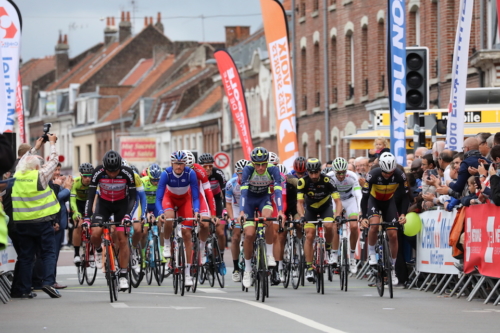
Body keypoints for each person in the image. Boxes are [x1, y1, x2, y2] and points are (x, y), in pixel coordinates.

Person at [11, 133, 62, 298]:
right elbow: (54, 161)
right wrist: (52, 144)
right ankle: (47, 282)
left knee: (26, 256)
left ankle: (24, 289)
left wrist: (36, 147)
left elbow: (22, 161)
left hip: (22, 223)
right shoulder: (39, 176)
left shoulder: (17, 175)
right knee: (48, 252)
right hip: (41, 222)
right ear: (35, 167)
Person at [83, 150, 137, 291]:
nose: (112, 174)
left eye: (115, 171)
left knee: (122, 238)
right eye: (109, 171)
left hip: (121, 205)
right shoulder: (98, 172)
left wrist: (127, 215)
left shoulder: (127, 172)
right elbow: (90, 196)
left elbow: (132, 197)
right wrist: (87, 217)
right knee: (95, 233)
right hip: (104, 205)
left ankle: (124, 275)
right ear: (104, 167)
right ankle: (100, 251)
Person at [360, 152, 409, 285]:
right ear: (381, 168)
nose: (388, 175)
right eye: (385, 172)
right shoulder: (373, 175)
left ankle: (392, 268)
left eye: (391, 172)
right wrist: (364, 217)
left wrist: (403, 214)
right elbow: (364, 197)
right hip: (374, 200)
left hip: (389, 202)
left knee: (393, 234)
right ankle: (371, 254)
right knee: (374, 225)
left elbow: (405, 196)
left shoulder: (400, 175)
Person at [240, 147, 285, 288]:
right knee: (249, 235)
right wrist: (241, 212)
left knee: (268, 218)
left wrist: (280, 211)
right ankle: (247, 269)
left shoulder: (273, 170)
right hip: (248, 201)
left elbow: (278, 192)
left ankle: (270, 254)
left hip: (263, 199)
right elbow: (243, 193)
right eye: (257, 164)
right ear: (253, 163)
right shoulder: (248, 170)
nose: (260, 168)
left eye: (263, 164)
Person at [156, 151, 201, 287]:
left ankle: (187, 273)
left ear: (185, 164)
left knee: (187, 234)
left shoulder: (190, 174)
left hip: (185, 201)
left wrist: (197, 211)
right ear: (172, 163)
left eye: (181, 164)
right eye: (176, 163)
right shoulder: (166, 174)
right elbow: (159, 197)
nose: (179, 166)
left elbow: (195, 197)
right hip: (169, 199)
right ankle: (167, 242)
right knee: (169, 218)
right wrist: (160, 212)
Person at [297, 158, 342, 282]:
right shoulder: (302, 181)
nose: (314, 175)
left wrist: (337, 215)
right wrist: (301, 216)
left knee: (329, 226)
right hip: (310, 210)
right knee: (310, 235)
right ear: (307, 172)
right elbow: (300, 202)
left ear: (319, 171)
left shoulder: (328, 180)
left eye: (316, 172)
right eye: (311, 173)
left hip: (325, 207)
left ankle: (328, 246)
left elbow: (338, 201)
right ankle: (309, 267)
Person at [327, 157, 362, 274]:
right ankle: (334, 254)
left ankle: (352, 258)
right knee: (335, 224)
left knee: (353, 226)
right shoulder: (329, 176)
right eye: (338, 173)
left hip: (349, 200)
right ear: (334, 171)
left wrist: (360, 211)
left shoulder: (352, 176)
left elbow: (358, 195)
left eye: (343, 172)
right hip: (335, 200)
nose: (341, 175)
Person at [183, 150, 217, 265]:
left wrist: (212, 214)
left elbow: (208, 192)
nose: (187, 170)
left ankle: (202, 249)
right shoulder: (173, 171)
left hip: (198, 197)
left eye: (190, 167)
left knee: (205, 223)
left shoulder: (199, 170)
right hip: (182, 199)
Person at [198, 153, 227, 259]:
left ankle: (221, 256)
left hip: (217, 201)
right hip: (202, 202)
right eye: (205, 166)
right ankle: (200, 248)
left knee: (221, 231)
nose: (208, 169)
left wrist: (225, 209)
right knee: (200, 226)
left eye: (211, 166)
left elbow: (225, 192)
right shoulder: (197, 175)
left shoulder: (218, 173)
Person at [50, 166, 73, 289]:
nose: (58, 173)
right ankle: (49, 280)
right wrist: (67, 189)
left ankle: (52, 279)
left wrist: (64, 187)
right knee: (51, 253)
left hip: (60, 223)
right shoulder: (49, 183)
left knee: (55, 253)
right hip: (53, 223)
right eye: (55, 170)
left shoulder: (57, 183)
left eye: (59, 170)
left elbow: (64, 199)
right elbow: (55, 198)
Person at [225, 159, 248, 282]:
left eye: (245, 173)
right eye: (240, 173)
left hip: (248, 207)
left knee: (251, 233)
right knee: (235, 237)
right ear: (236, 173)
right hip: (235, 208)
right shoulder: (231, 184)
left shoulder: (252, 183)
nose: (242, 176)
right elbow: (228, 204)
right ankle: (236, 269)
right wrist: (231, 219)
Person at [70, 162, 94, 265]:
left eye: (90, 176)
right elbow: (72, 201)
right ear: (81, 175)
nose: (88, 179)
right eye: (85, 176)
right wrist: (76, 213)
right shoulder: (75, 182)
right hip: (78, 204)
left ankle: (92, 252)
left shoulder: (94, 183)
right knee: (78, 225)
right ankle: (76, 254)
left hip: (90, 204)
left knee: (94, 226)